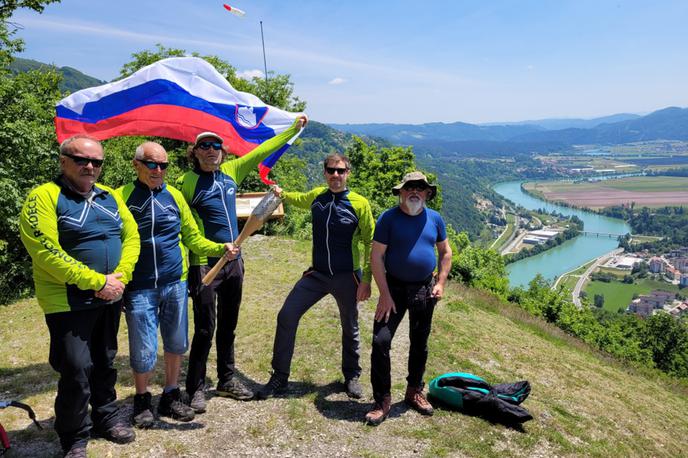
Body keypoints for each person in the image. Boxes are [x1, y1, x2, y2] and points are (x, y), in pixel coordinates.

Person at [19, 135, 140, 457]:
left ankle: (106, 417)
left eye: (97, 161)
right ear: (63, 161)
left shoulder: (110, 196)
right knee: (75, 368)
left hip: (110, 295)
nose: (90, 166)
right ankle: (73, 435)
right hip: (67, 301)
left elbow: (132, 237)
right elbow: (45, 251)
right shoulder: (44, 196)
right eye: (81, 159)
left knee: (105, 361)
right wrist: (95, 281)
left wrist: (120, 278)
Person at [177, 116, 307, 411]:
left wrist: (292, 129)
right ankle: (195, 386)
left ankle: (226, 379)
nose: (212, 150)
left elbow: (262, 152)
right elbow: (185, 226)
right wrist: (204, 253)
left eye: (217, 146)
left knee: (229, 325)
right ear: (195, 152)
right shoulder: (186, 182)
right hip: (204, 263)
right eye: (205, 146)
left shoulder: (231, 172)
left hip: (234, 261)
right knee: (204, 328)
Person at [116, 142, 238, 428]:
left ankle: (171, 394)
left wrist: (220, 248)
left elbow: (192, 237)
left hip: (175, 282)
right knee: (144, 348)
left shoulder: (174, 196)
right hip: (140, 285)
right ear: (136, 165)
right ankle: (142, 399)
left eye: (163, 165)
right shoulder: (121, 197)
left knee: (177, 342)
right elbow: (114, 238)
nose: (158, 170)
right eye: (151, 164)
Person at [256, 152, 375, 400]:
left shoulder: (359, 203)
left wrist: (366, 280)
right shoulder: (317, 197)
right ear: (324, 173)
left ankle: (351, 375)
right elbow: (297, 198)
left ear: (348, 174)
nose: (335, 175)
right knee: (287, 315)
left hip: (347, 276)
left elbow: (370, 242)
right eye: (331, 170)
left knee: (350, 326)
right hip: (317, 275)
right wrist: (281, 193)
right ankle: (279, 376)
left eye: (340, 171)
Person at [365, 171, 452, 426]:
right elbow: (377, 257)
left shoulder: (435, 218)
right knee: (381, 341)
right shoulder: (388, 218)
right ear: (401, 192)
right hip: (392, 287)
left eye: (420, 188)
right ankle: (382, 400)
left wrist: (441, 283)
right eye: (409, 187)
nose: (414, 191)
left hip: (424, 289)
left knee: (419, 342)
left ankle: (414, 390)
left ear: (427, 193)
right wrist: (384, 294)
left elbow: (445, 252)